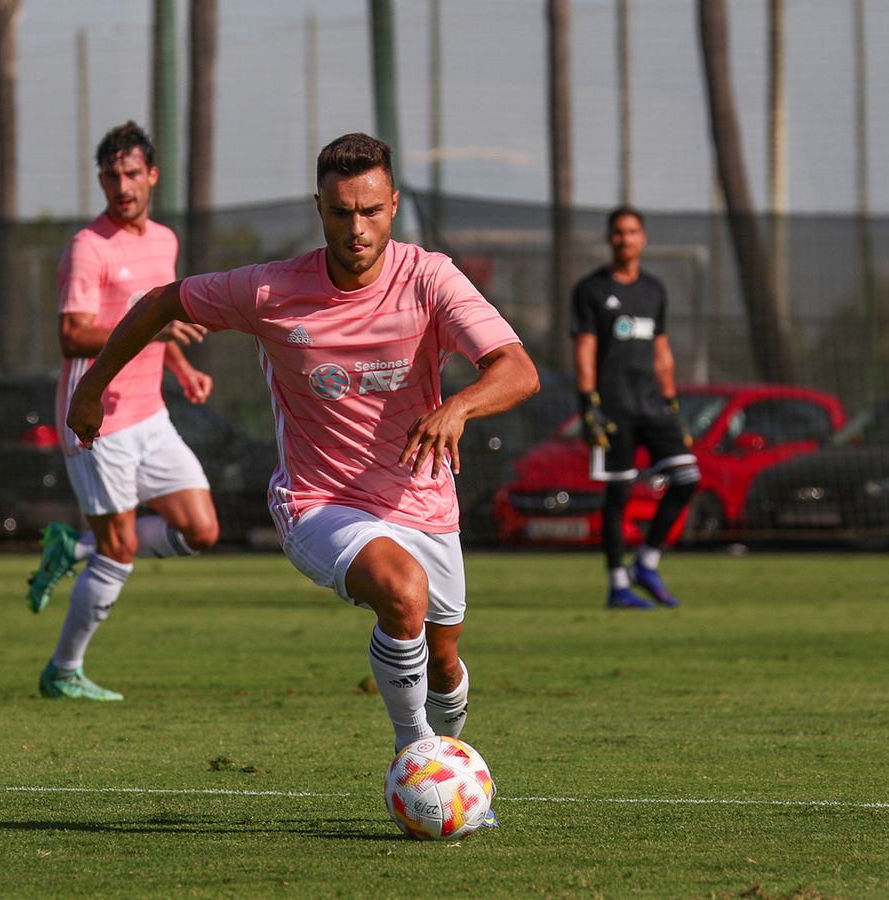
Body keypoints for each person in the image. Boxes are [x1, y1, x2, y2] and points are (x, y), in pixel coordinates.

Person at [67, 133, 539, 765]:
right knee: (402, 592)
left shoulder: (430, 278)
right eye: (341, 212)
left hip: (423, 497)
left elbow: (517, 370)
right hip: (320, 501)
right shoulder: (271, 289)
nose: (357, 228)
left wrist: (458, 406)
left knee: (446, 661)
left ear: (393, 205)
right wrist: (92, 388)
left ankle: (447, 766)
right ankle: (414, 754)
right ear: (319, 208)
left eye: (370, 210)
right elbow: (160, 302)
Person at [26, 121, 221, 701]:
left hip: (150, 414)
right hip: (96, 420)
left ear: (152, 175)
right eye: (110, 176)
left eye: (131, 173)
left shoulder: (163, 240)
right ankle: (64, 669)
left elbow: (159, 321)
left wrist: (181, 368)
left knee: (201, 529)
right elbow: (73, 335)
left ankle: (75, 546)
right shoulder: (89, 247)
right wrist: (155, 331)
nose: (121, 186)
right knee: (121, 549)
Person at [570, 205, 700, 610]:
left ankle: (647, 562)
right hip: (614, 406)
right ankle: (617, 585)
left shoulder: (654, 290)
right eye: (619, 232)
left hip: (652, 404)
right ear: (610, 239)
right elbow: (585, 348)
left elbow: (661, 348)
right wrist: (589, 402)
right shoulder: (590, 290)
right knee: (619, 494)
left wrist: (672, 399)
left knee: (688, 478)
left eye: (632, 232)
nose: (625, 239)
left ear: (643, 238)